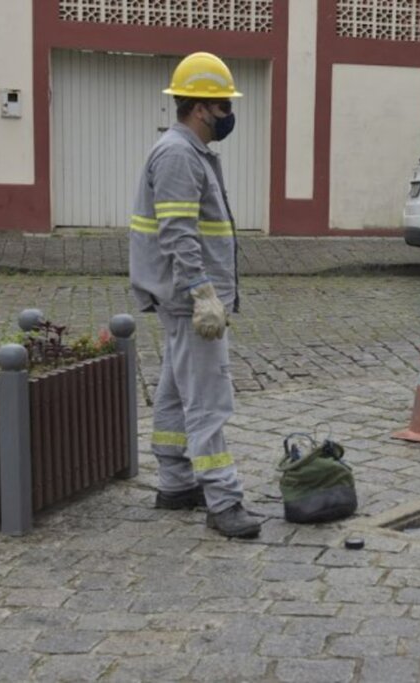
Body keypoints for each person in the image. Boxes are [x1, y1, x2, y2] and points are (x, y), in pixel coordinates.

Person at [129, 52, 261, 538]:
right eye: (224, 105)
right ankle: (223, 500)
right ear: (202, 108)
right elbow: (179, 233)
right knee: (208, 396)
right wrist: (203, 293)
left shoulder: (185, 150)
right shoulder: (180, 154)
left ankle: (176, 482)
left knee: (173, 387)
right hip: (190, 299)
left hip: (180, 296)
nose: (229, 113)